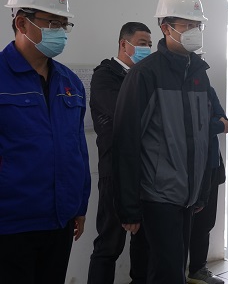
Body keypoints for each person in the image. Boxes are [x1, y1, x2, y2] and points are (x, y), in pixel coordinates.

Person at [112, 0, 213, 283]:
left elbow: (203, 136)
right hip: (158, 197)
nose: (194, 31)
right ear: (165, 27)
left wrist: (201, 189)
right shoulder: (145, 74)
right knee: (166, 273)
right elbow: (126, 141)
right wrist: (128, 207)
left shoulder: (199, 73)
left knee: (175, 268)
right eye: (187, 24)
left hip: (188, 195)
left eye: (197, 25)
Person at [0, 0, 91, 283]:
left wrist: (80, 205)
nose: (60, 32)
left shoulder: (71, 82)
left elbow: (78, 149)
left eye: (64, 24)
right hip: (11, 224)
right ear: (22, 23)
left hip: (60, 220)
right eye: (52, 23)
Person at [87, 22, 152, 284]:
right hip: (114, 171)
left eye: (150, 44)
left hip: (145, 171)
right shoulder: (105, 76)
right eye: (142, 43)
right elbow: (125, 116)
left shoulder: (146, 76)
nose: (147, 48)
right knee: (109, 244)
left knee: (144, 244)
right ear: (124, 44)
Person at [187, 86, 228, 284]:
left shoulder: (207, 89)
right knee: (181, 224)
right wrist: (214, 124)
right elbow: (188, 126)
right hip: (185, 168)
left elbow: (223, 120)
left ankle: (197, 269)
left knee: (205, 222)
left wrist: (213, 124)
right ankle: (175, 272)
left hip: (211, 165)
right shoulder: (173, 87)